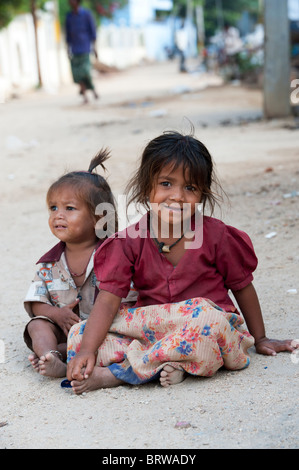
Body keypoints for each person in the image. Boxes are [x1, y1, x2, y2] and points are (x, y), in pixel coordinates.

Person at [67, 130, 299, 394]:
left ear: (202, 194)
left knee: (210, 323)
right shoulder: (128, 241)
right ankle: (173, 363)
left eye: (190, 188)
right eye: (166, 183)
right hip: (155, 329)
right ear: (146, 187)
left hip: (204, 326)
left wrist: (260, 338)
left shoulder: (218, 236)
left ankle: (119, 374)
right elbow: (108, 301)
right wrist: (86, 349)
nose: (177, 196)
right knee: (80, 333)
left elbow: (242, 286)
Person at [24, 149, 136, 378]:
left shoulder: (114, 255)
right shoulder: (49, 263)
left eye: (69, 208)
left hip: (106, 328)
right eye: (53, 208)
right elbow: (35, 301)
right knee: (37, 325)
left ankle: (70, 354)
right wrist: (55, 314)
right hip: (66, 328)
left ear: (98, 217)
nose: (58, 215)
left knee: (125, 335)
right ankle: (51, 357)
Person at [65, 0, 99, 104]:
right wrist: (67, 49)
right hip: (74, 49)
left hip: (85, 48)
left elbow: (93, 32)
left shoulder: (86, 14)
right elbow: (67, 36)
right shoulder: (69, 17)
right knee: (77, 74)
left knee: (85, 72)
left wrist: (95, 48)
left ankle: (93, 90)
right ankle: (85, 96)